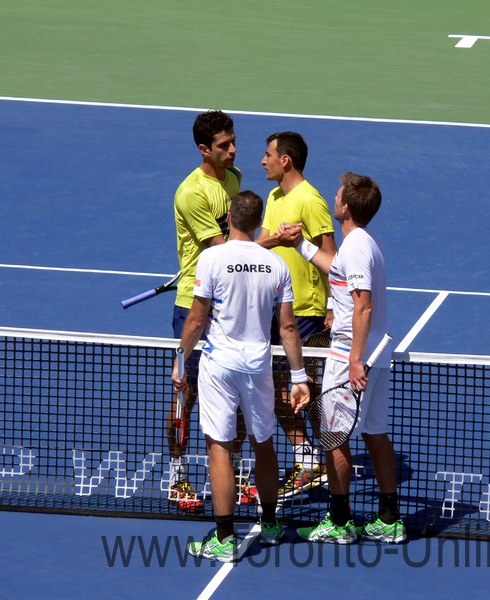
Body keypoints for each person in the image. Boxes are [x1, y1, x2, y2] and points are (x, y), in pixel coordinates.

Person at [173, 190, 311, 563]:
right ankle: (269, 523)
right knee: (263, 443)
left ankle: (223, 537)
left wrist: (180, 359)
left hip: (219, 366)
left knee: (219, 446)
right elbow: (287, 329)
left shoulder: (211, 259)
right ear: (259, 220)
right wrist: (299, 376)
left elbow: (197, 319)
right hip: (257, 366)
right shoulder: (277, 265)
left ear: (230, 217)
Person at [292, 172, 407, 544]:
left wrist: (354, 359)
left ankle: (340, 521)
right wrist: (302, 247)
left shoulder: (355, 245)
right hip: (376, 352)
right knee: (374, 433)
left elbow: (363, 307)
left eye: (337, 193)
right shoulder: (364, 241)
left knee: (333, 435)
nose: (334, 195)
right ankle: (389, 519)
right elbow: (337, 272)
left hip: (351, 353)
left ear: (344, 207)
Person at [170, 109, 252, 511]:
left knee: (234, 394)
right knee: (186, 395)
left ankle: (232, 476)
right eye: (224, 146)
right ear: (204, 149)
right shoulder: (191, 192)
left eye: (233, 141)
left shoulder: (234, 179)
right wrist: (266, 248)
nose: (234, 150)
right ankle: (178, 476)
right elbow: (223, 249)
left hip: (228, 303)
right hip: (194, 303)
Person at [257, 132, 336, 499]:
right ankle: (307, 459)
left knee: (310, 393)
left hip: (305, 312)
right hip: (272, 309)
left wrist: (334, 305)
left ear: (285, 160)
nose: (263, 161)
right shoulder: (273, 198)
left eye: (269, 155)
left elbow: (333, 258)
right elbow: (262, 245)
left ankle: (332, 459)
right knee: (273, 390)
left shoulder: (311, 199)